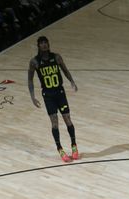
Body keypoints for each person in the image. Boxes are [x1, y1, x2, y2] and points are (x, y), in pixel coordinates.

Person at [28, 35, 79, 163]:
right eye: (42, 43)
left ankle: (74, 145)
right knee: (54, 122)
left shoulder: (56, 57)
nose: (44, 45)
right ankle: (60, 149)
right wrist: (32, 96)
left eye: (46, 42)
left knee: (67, 119)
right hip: (48, 95)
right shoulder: (34, 62)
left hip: (60, 93)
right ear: (38, 46)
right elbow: (30, 80)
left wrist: (72, 81)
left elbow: (65, 70)